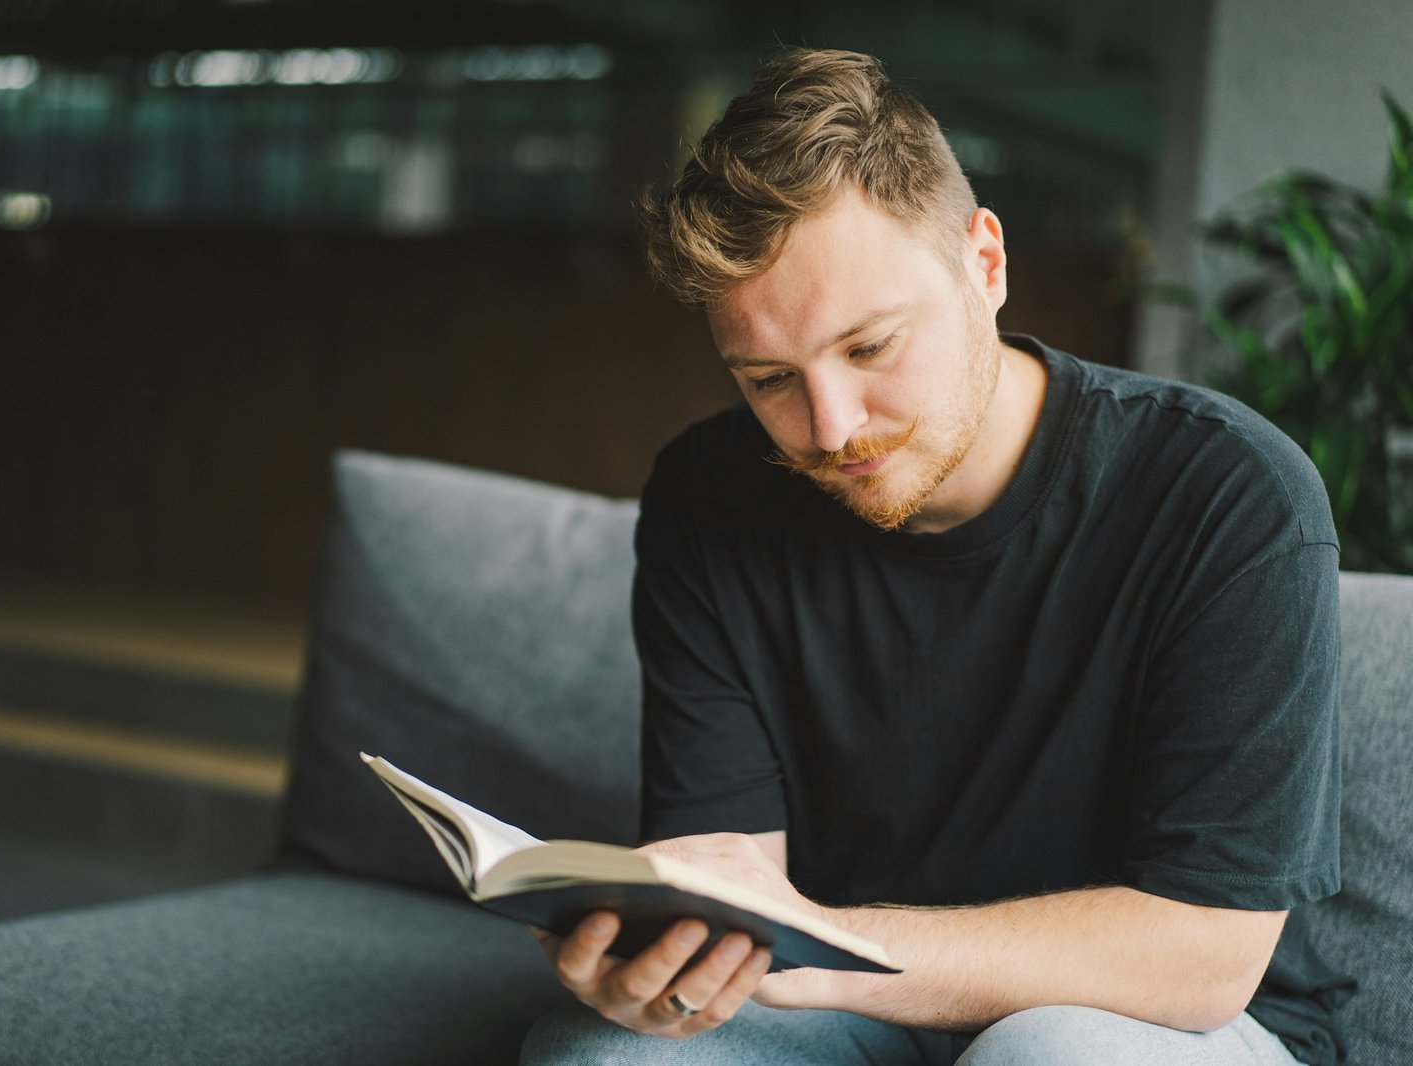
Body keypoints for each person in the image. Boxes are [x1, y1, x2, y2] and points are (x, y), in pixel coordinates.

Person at [518, 48, 1356, 1066]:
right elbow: (731, 868)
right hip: (844, 1000)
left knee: (1046, 1053)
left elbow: (1203, 957)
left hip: (1157, 1020)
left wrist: (832, 951)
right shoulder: (708, 496)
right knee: (607, 1057)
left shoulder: (1227, 492)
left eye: (869, 347)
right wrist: (677, 964)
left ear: (984, 263)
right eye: (768, 379)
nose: (828, 429)